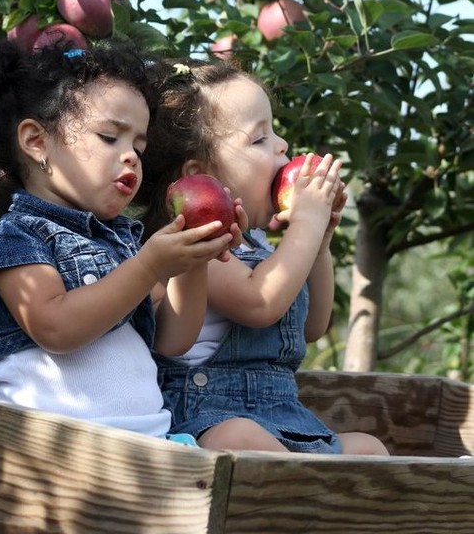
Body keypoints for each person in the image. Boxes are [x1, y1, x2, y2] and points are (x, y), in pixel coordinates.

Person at [0, 38, 249, 443]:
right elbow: (57, 328)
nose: (132, 155)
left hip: (152, 447)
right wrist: (149, 267)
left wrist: (194, 260)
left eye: (139, 145)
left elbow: (173, 339)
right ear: (36, 141)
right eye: (110, 137)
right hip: (62, 454)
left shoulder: (124, 244)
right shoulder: (15, 238)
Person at [137, 58, 389, 455]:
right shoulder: (195, 246)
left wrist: (318, 238)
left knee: (370, 449)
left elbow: (312, 325)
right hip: (210, 417)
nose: (283, 146)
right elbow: (260, 303)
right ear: (200, 175)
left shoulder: (257, 243)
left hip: (285, 417)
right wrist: (304, 226)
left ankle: (308, 506)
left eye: (275, 133)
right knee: (242, 440)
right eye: (259, 139)